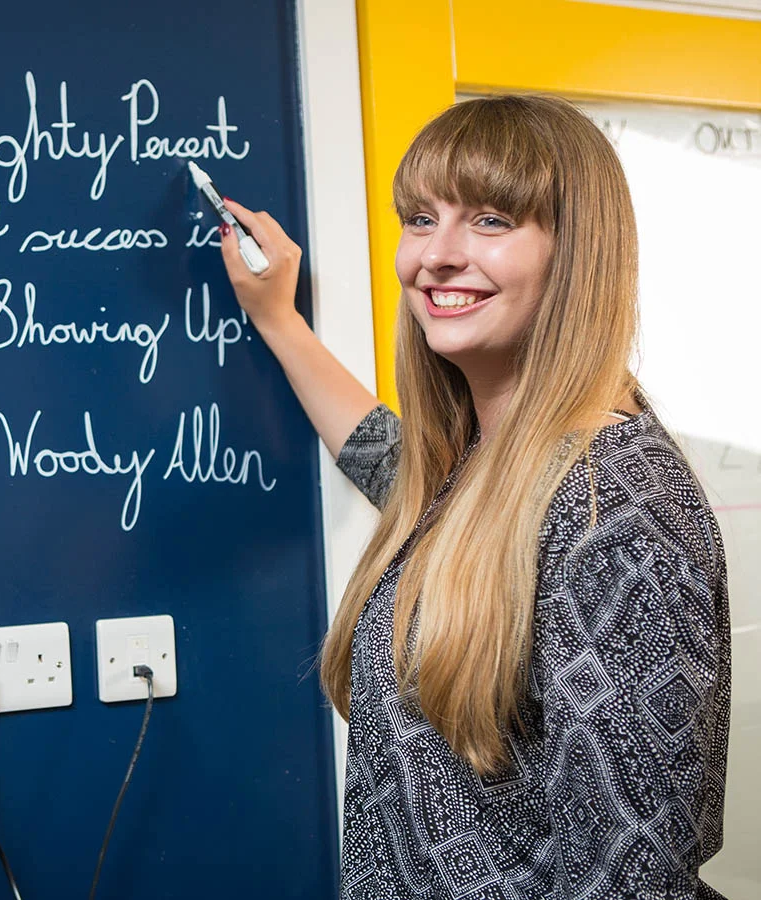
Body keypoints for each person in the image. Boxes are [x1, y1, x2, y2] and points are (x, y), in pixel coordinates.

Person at [218, 95, 730, 899]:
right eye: (420, 218)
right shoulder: (483, 467)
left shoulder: (616, 508)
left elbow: (633, 879)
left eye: (491, 220)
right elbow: (391, 463)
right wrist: (279, 321)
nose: (437, 256)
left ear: (576, 254)